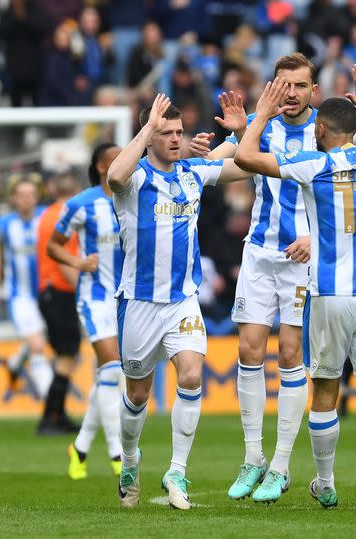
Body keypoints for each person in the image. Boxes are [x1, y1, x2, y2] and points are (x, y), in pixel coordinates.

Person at [234, 65, 356, 510]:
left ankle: (325, 481)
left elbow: (245, 159)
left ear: (320, 128)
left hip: (328, 293)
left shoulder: (315, 164)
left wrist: (258, 117)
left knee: (325, 392)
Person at [107, 95, 252, 510]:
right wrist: (146, 129)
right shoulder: (133, 179)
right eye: (166, 133)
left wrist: (244, 126)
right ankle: (131, 460)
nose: (175, 139)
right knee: (137, 394)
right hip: (138, 302)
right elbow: (115, 175)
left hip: (182, 302)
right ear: (150, 137)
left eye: (178, 132)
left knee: (191, 376)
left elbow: (242, 160)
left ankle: (177, 470)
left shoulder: (193, 172)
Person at [195, 53, 316, 504]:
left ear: (313, 91)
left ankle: (281, 465)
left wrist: (315, 240)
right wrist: (238, 131)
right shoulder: (261, 128)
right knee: (248, 348)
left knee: (289, 351)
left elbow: (342, 193)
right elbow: (222, 173)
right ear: (273, 87)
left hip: (303, 257)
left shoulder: (326, 132)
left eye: (300, 85)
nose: (291, 93)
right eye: (283, 84)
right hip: (261, 252)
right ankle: (253, 459)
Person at [48, 144, 125, 480]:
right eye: (117, 156)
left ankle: (79, 448)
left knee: (108, 378)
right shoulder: (81, 204)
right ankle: (118, 455)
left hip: (127, 298)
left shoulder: (134, 196)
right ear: (101, 165)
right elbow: (54, 244)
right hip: (94, 297)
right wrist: (77, 262)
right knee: (112, 371)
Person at [0, 175, 53, 399]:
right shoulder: (3, 224)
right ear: (13, 198)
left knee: (42, 341)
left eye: (31, 194)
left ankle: (14, 363)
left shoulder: (47, 217)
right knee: (38, 345)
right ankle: (51, 404)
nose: (27, 199)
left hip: (47, 292)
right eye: (21, 195)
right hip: (19, 296)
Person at [34, 172, 81, 435]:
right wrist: (82, 289)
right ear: (75, 188)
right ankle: (49, 418)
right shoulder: (67, 216)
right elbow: (64, 259)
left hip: (48, 290)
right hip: (59, 291)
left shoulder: (47, 215)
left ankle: (58, 415)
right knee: (66, 355)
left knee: (67, 354)